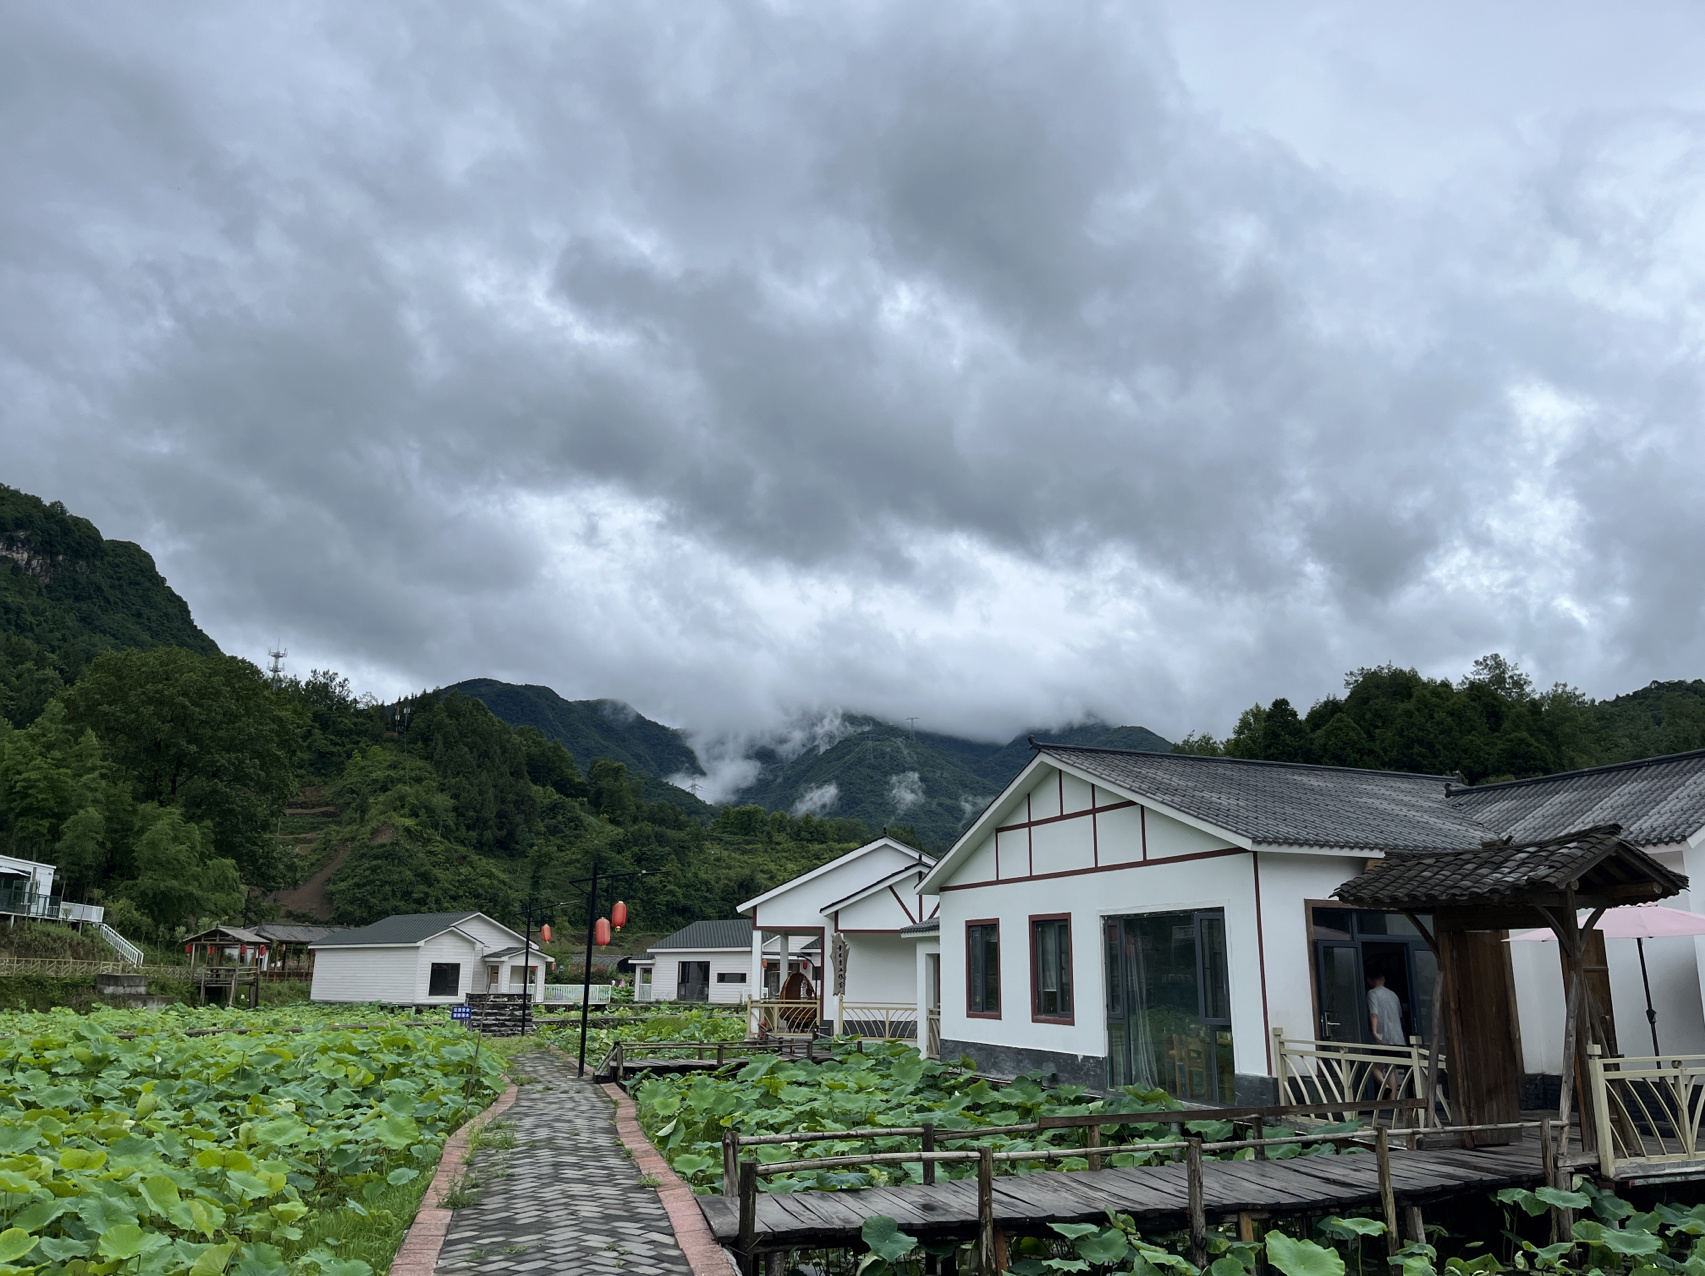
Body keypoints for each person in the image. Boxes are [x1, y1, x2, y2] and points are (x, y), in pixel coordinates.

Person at [1366, 973, 1407, 1045]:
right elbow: (1400, 1015)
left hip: (1384, 1039)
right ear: (1383, 979)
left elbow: (1374, 1014)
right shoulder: (1394, 995)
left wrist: (1375, 1033)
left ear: (1369, 980)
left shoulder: (1372, 993)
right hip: (1398, 1038)